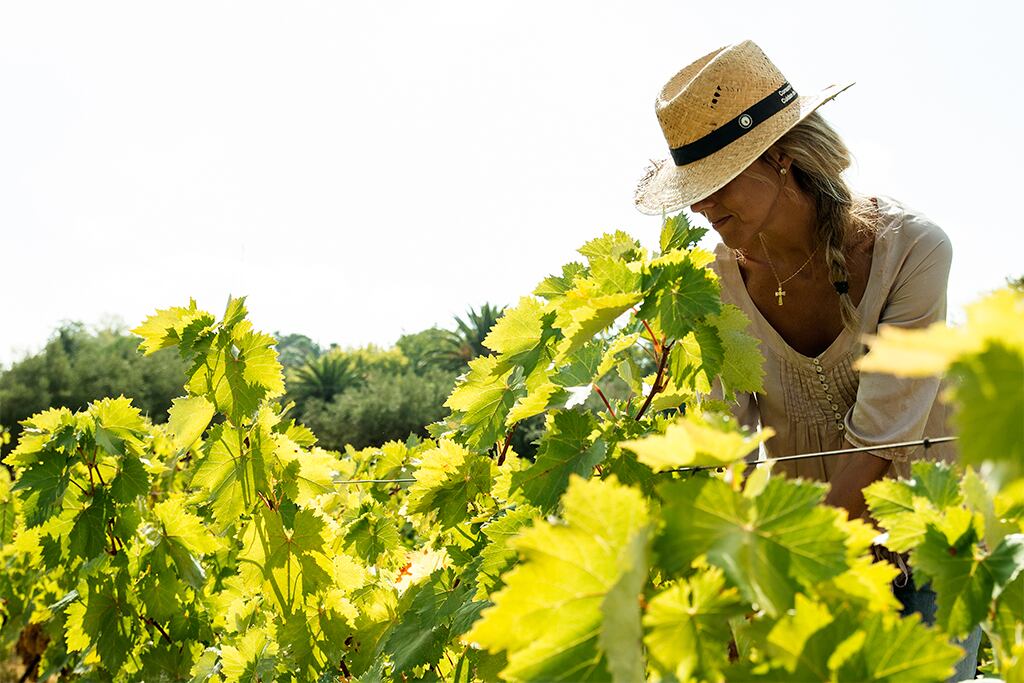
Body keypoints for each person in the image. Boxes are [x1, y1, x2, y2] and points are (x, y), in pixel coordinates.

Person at [633, 40, 978, 681]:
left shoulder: (912, 252)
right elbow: (724, 445)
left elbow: (883, 440)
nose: (701, 208)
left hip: (921, 544)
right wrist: (733, 585)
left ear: (781, 158)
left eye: (716, 184)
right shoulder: (713, 286)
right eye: (693, 191)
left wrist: (784, 581)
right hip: (795, 553)